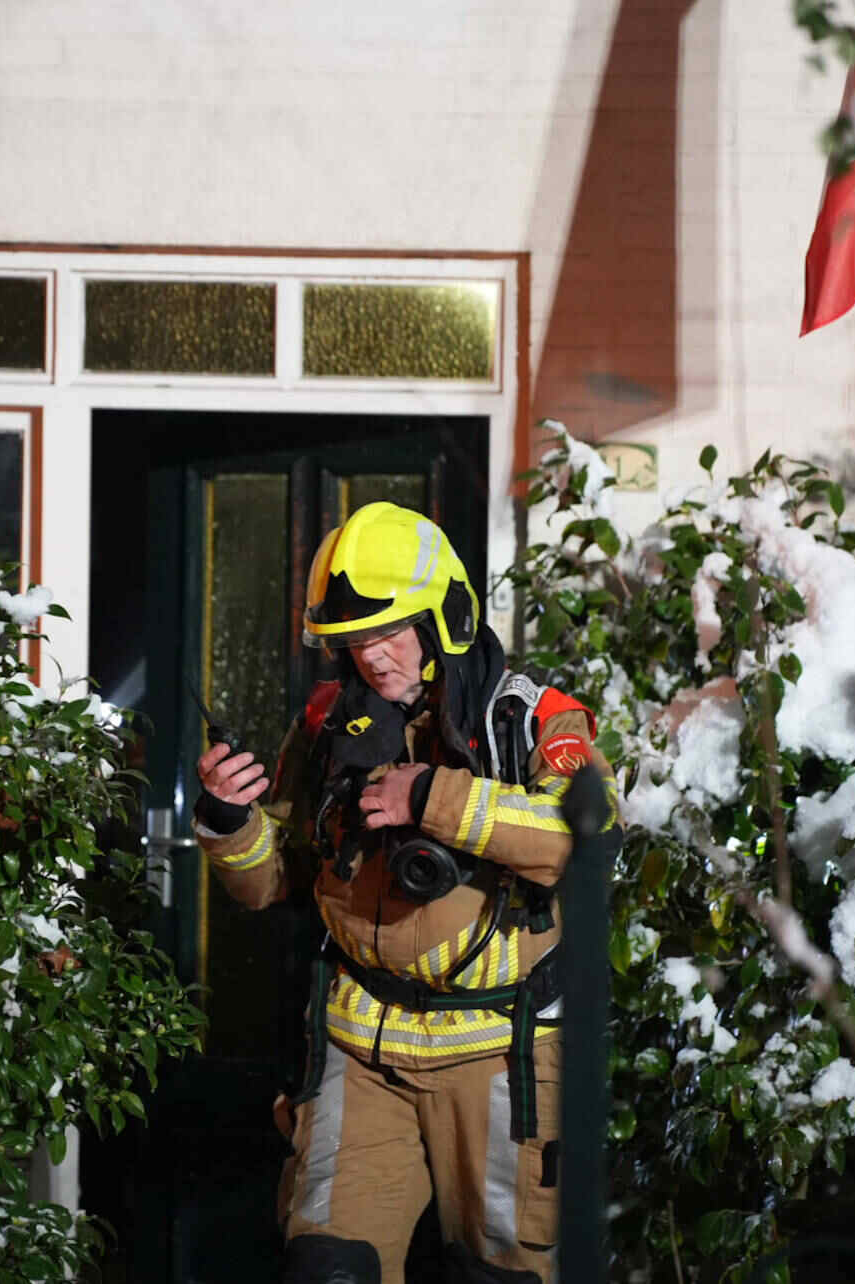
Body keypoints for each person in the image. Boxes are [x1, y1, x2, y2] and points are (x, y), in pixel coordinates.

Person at [194, 501, 613, 1284]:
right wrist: (226, 820)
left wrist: (431, 799)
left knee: (503, 1277)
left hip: (498, 1052)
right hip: (359, 1046)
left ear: (443, 617)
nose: (371, 656)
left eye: (388, 632)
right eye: (354, 641)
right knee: (325, 1269)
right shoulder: (327, 723)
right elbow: (276, 878)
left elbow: (585, 839)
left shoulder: (530, 718)